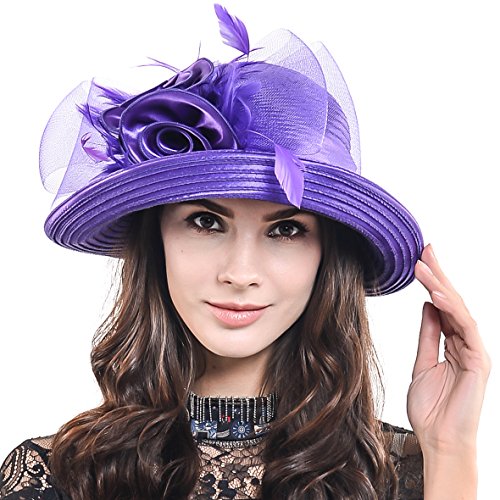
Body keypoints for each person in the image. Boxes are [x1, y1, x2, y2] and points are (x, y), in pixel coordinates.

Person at [0, 4, 490, 499]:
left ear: (327, 257)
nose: (240, 272)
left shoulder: (398, 474)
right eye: (206, 222)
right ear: (157, 240)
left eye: (286, 230)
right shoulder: (56, 477)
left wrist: (450, 449)